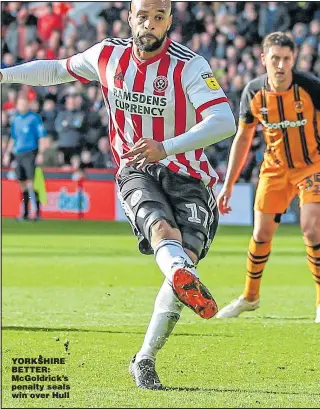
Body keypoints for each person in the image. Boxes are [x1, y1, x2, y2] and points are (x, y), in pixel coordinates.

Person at [0, 0, 236, 389]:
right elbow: (57, 70)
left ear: (169, 21)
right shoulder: (107, 54)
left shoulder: (189, 65)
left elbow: (223, 120)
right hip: (136, 170)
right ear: (130, 17)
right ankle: (178, 271)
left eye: (159, 16)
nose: (149, 23)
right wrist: (5, 74)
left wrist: (168, 145)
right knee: (161, 231)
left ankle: (144, 357)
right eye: (142, 15)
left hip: (190, 177)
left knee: (183, 264)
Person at [216, 32, 320, 323]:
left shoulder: (312, 87)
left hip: (314, 165)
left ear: (294, 59)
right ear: (263, 59)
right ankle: (250, 297)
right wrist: (227, 185)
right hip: (275, 168)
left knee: (311, 228)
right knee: (261, 234)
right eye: (274, 58)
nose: (280, 65)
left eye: (286, 59)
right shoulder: (253, 92)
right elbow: (243, 138)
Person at [3, 97, 47, 221]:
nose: (21, 106)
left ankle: (37, 212)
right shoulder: (16, 120)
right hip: (18, 154)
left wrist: (40, 153)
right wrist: (7, 153)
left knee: (30, 183)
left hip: (30, 152)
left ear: (27, 105)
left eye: (24, 103)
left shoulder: (34, 118)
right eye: (20, 104)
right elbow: (13, 137)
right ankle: (25, 213)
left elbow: (41, 136)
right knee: (22, 183)